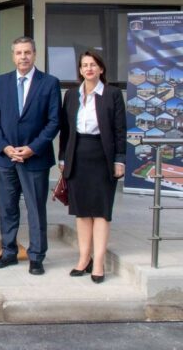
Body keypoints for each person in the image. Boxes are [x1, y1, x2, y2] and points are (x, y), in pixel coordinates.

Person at [0, 36, 60, 275]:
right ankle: (9, 252)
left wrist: (32, 148)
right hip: (6, 157)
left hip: (35, 158)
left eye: (27, 52)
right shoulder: (1, 82)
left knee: (35, 208)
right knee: (7, 207)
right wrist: (5, 147)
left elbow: (53, 121)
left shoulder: (49, 83)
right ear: (13, 56)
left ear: (35, 54)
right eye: (18, 53)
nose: (23, 57)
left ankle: (36, 256)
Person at [59, 50, 126, 283]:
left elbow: (119, 130)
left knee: (100, 212)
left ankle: (98, 263)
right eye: (85, 65)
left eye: (93, 65)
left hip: (102, 157)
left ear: (101, 69)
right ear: (80, 70)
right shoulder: (71, 95)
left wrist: (120, 159)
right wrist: (63, 158)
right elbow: (65, 130)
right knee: (82, 212)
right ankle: (83, 259)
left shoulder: (112, 94)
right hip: (77, 156)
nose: (89, 69)